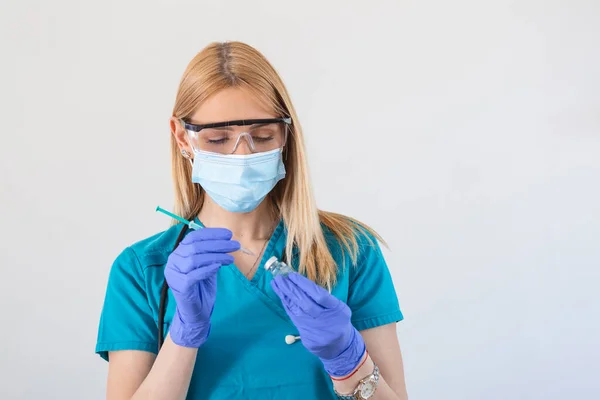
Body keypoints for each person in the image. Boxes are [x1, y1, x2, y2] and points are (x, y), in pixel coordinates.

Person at [95, 41, 408, 400]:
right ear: (183, 137)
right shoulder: (142, 271)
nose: (242, 155)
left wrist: (349, 361)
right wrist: (184, 333)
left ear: (286, 134)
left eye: (262, 136)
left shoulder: (351, 250)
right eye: (217, 139)